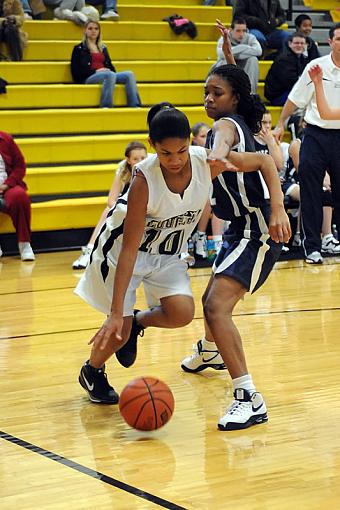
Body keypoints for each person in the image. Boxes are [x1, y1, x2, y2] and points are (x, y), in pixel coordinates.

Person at [75, 101, 287, 407]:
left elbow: (266, 163)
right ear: (152, 147)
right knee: (117, 328)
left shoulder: (207, 162)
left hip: (168, 253)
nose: (175, 160)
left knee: (181, 313)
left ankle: (137, 323)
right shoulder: (142, 181)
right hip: (122, 252)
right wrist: (115, 312)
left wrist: (278, 208)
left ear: (191, 143)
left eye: (182, 150)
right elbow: (130, 250)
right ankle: (92, 370)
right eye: (165, 153)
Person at [180, 61, 291, 431]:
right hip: (238, 227)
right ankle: (211, 351)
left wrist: (278, 209)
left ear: (234, 98)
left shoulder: (225, 127)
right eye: (206, 92)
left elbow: (260, 160)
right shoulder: (244, 122)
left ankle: (249, 397)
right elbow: (257, 157)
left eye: (217, 93)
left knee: (216, 306)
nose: (208, 99)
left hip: (257, 231)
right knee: (209, 298)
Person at [274, 23, 340, 264]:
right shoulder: (316, 67)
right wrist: (281, 123)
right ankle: (312, 246)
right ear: (330, 42)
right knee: (311, 190)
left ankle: (333, 239)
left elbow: (328, 111)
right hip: (315, 135)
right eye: (339, 39)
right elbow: (294, 98)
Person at [72, 141, 147, 270]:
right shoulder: (123, 170)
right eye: (135, 159)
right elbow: (111, 200)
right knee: (108, 210)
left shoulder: (152, 168)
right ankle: (89, 251)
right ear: (128, 160)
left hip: (147, 209)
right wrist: (126, 210)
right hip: (127, 208)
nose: (140, 161)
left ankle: (179, 252)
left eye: (142, 158)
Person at [71, 20, 141, 108]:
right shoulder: (79, 48)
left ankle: (134, 105)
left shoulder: (103, 48)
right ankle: (106, 106)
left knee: (129, 74)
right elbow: (76, 71)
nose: (93, 31)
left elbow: (110, 67)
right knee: (109, 75)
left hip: (106, 74)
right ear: (85, 30)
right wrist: (96, 71)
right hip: (88, 77)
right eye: (90, 29)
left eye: (96, 29)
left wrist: (107, 71)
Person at [191, 122, 225, 259]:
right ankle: (199, 236)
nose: (206, 139)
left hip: (209, 194)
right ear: (194, 139)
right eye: (203, 136)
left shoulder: (214, 154)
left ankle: (217, 241)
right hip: (191, 193)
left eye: (209, 136)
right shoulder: (190, 153)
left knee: (218, 197)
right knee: (207, 199)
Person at [0, 131, 35, 261]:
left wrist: (7, 185)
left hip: (7, 185)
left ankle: (25, 244)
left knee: (20, 196)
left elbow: (20, 166)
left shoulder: (6, 139)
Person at [215, 17, 262, 94]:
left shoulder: (250, 37)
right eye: (238, 31)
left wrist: (234, 53)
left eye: (244, 31)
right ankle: (222, 93)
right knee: (224, 60)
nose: (241, 34)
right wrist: (243, 47)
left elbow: (259, 51)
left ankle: (250, 94)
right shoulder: (225, 37)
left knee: (253, 59)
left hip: (243, 68)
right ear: (231, 30)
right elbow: (221, 54)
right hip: (227, 68)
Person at [264, 32, 308, 106]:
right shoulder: (284, 60)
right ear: (290, 44)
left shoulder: (301, 58)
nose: (299, 45)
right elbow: (292, 82)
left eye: (302, 43)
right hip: (279, 96)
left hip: (289, 92)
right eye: (296, 43)